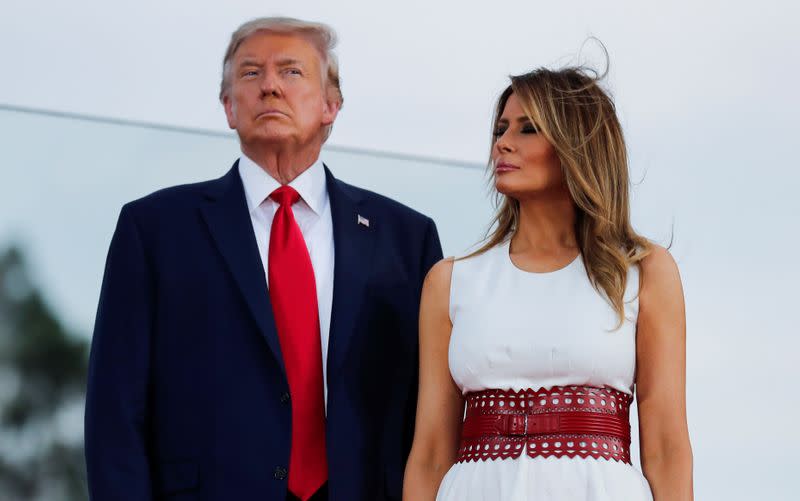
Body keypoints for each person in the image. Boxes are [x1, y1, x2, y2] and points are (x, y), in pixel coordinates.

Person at [84, 17, 442, 501]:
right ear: (229, 107)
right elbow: (114, 410)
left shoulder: (406, 238)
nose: (270, 86)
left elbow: (430, 413)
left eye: (291, 72)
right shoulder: (153, 230)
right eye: (251, 74)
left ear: (331, 106)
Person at [404, 64, 693, 500]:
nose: (502, 142)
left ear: (577, 143)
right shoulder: (450, 282)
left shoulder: (645, 272)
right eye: (501, 128)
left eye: (528, 129)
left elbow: (668, 449)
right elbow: (429, 452)